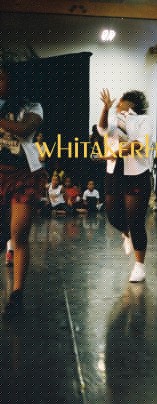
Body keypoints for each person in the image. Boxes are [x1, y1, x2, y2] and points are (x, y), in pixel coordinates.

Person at [0, 63, 47, 318]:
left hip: (23, 175)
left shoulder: (33, 107)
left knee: (18, 235)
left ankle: (17, 293)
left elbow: (24, 129)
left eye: (1, 78)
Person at [97, 89, 155, 283]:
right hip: (114, 171)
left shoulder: (143, 120)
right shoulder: (114, 119)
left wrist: (118, 151)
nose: (117, 102)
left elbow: (139, 143)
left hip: (136, 172)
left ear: (130, 103)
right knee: (113, 216)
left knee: (135, 220)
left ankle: (139, 266)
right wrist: (105, 109)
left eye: (120, 100)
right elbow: (102, 129)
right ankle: (126, 234)